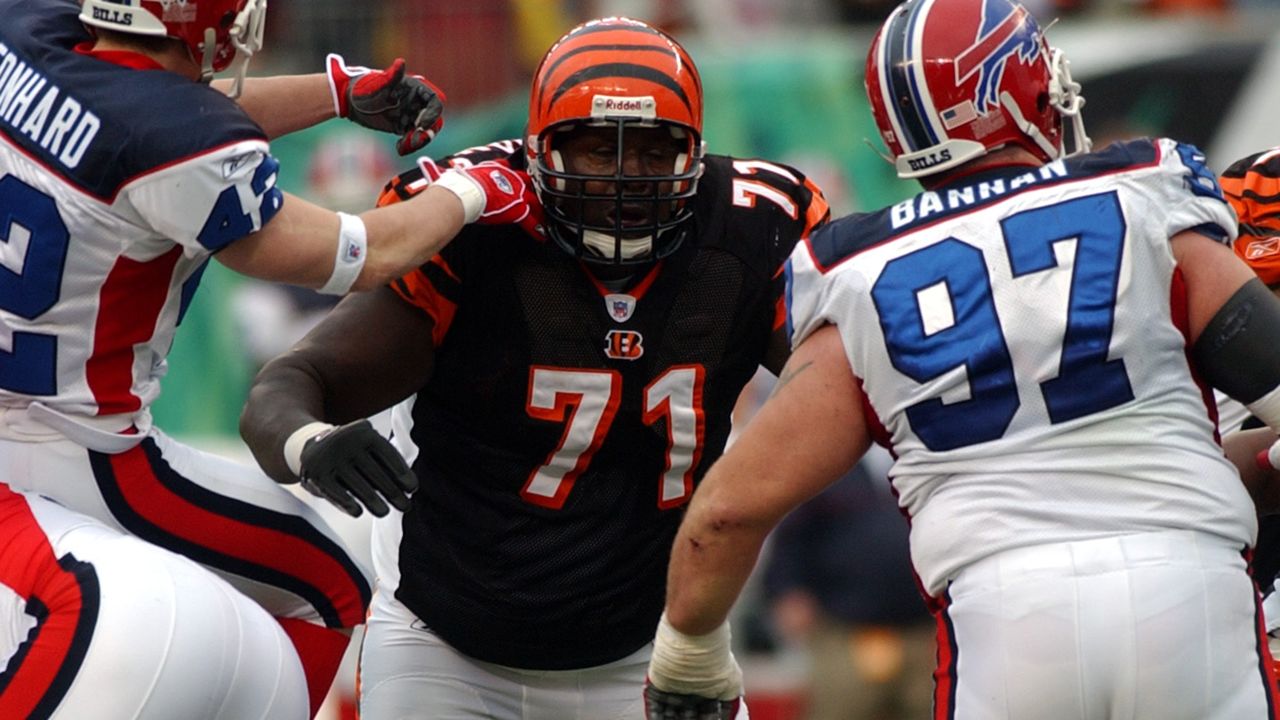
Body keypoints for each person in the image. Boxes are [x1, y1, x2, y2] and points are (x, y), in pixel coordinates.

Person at [643, 0, 1280, 718]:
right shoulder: (1140, 195)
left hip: (1006, 619)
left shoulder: (859, 274)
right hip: (1188, 587)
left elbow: (727, 513)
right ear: (1018, 91)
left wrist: (686, 657)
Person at [239, 16, 830, 719]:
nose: (622, 179)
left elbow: (847, 386)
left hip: (647, 647)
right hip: (446, 649)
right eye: (592, 152)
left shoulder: (747, 233)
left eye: (648, 151)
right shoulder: (479, 231)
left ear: (693, 155)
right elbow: (286, 390)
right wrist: (312, 444)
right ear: (539, 149)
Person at [0, 0, 534, 716]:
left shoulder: (26, 35)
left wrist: (338, 91)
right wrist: (473, 188)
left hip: (21, 402)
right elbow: (370, 253)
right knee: (328, 585)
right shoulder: (170, 141)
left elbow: (146, 111)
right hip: (77, 444)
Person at [761, 448, 933, 720]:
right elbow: (791, 536)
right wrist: (786, 591)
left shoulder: (932, 456)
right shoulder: (828, 463)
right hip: (843, 634)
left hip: (925, 634)